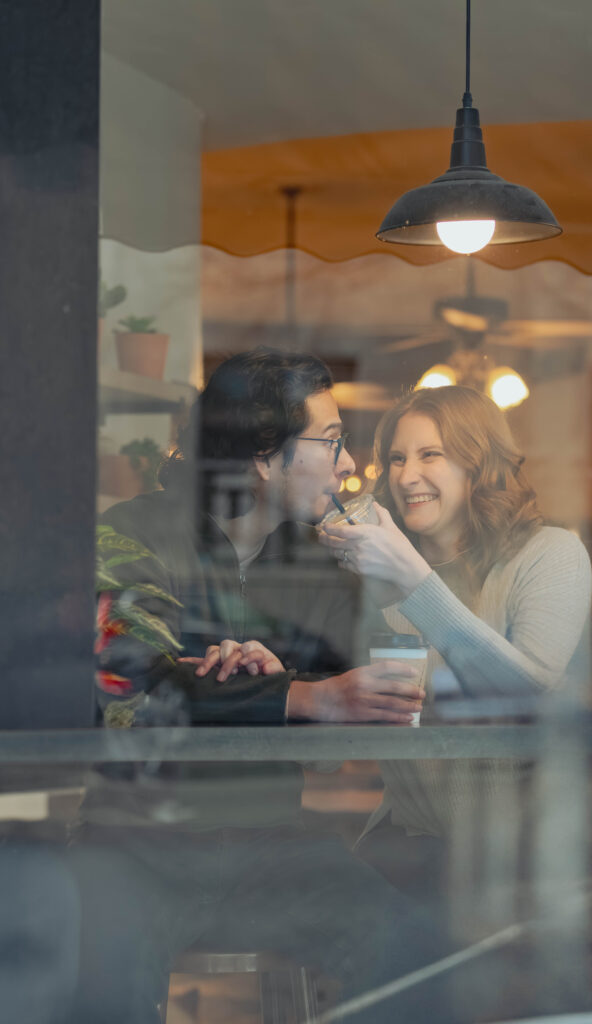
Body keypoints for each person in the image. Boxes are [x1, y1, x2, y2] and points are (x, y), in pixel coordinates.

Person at [64, 349, 459, 1024]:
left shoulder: (318, 566)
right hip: (135, 846)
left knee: (417, 953)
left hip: (272, 842)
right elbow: (128, 694)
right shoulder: (130, 537)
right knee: (104, 1000)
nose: (347, 465)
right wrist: (307, 698)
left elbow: (333, 744)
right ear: (261, 452)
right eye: (331, 442)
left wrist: (289, 688)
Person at [319, 384, 592, 906]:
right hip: (409, 847)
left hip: (522, 861)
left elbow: (525, 694)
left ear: (478, 464)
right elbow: (344, 735)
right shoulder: (374, 573)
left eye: (430, 455)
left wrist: (413, 579)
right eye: (396, 459)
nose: (405, 476)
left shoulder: (551, 555)